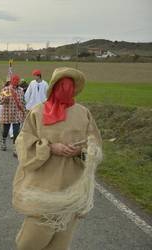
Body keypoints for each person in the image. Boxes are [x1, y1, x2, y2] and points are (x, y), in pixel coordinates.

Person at [12, 67, 103, 250]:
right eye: (62, 86)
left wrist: (79, 152)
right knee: (29, 243)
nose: (66, 90)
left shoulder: (83, 113)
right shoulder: (38, 111)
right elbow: (23, 142)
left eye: (70, 86)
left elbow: (95, 145)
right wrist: (50, 147)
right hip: (42, 186)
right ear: (53, 87)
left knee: (61, 243)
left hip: (71, 187)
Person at [0, 74, 25, 157]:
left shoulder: (21, 90)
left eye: (17, 81)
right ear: (11, 81)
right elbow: (0, 100)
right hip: (7, 112)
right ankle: (3, 140)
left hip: (17, 113)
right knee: (5, 130)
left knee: (16, 131)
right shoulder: (6, 89)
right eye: (14, 80)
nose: (16, 82)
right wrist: (4, 99)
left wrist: (24, 110)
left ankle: (15, 148)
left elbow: (23, 101)